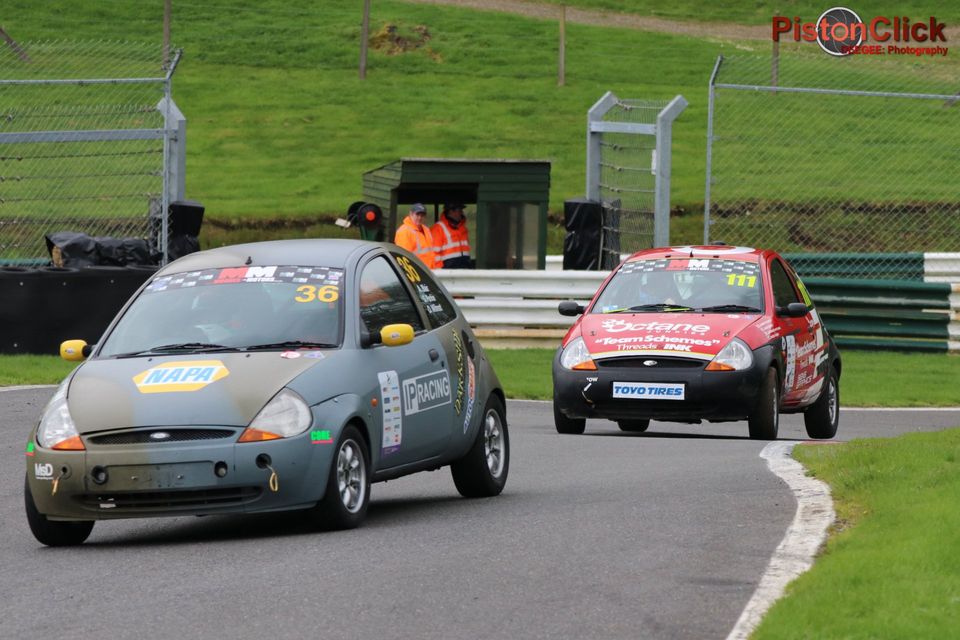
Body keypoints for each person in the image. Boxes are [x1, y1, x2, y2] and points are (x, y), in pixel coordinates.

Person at [393, 203, 438, 269]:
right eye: (417, 215)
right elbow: (403, 258)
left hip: (429, 271)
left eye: (422, 215)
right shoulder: (404, 231)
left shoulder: (426, 230)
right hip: (416, 273)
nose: (420, 218)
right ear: (411, 214)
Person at [431, 202, 472, 269]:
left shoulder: (463, 228)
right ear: (450, 212)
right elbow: (434, 253)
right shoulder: (438, 228)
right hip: (447, 271)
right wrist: (439, 271)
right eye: (459, 210)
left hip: (465, 268)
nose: (461, 213)